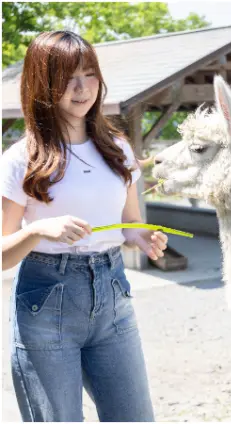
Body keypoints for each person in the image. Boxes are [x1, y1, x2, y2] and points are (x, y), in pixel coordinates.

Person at [1, 30, 167, 422]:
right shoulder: (21, 159)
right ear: (42, 83)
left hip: (113, 296)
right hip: (46, 302)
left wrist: (142, 236)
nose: (82, 88)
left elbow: (129, 223)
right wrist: (38, 231)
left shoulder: (117, 148)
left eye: (89, 74)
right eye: (67, 78)